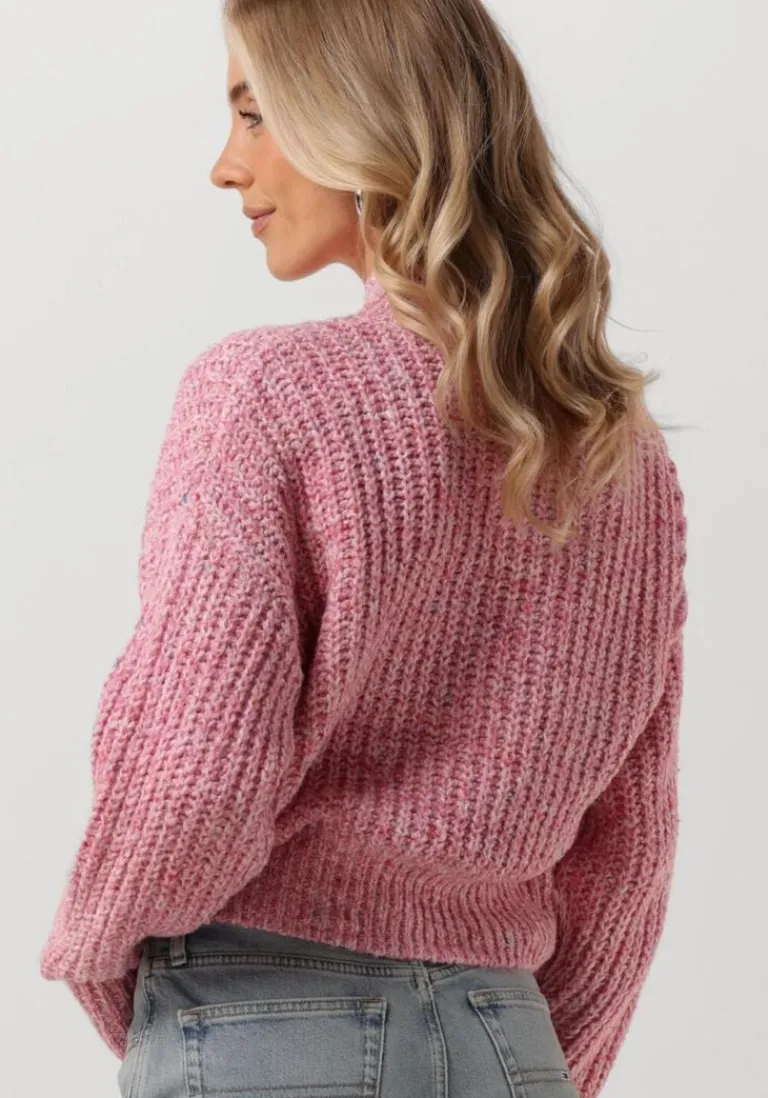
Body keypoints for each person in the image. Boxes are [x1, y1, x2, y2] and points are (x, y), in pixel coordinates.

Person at [39, 2, 689, 1097]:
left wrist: (115, 962)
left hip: (263, 1013)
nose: (225, 166)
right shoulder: (622, 454)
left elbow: (190, 773)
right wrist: (528, 1050)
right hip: (507, 1037)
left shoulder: (264, 393)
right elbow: (630, 847)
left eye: (256, 115)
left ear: (358, 117)